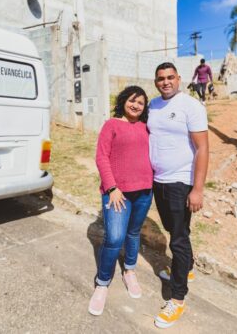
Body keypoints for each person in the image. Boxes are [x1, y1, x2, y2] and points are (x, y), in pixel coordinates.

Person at [148, 63, 209, 329]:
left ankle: (177, 297)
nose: (166, 82)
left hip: (180, 182)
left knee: (178, 240)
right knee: (175, 229)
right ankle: (188, 268)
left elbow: (203, 148)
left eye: (170, 77)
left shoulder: (191, 106)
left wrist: (197, 189)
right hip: (158, 181)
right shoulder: (152, 105)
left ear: (179, 79)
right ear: (155, 81)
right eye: (161, 78)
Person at [88, 86, 153, 316]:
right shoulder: (112, 125)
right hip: (117, 193)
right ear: (124, 100)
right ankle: (102, 282)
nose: (136, 105)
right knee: (114, 237)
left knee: (133, 233)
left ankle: (129, 271)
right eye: (132, 100)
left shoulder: (147, 127)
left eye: (141, 103)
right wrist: (112, 187)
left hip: (145, 191)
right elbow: (101, 157)